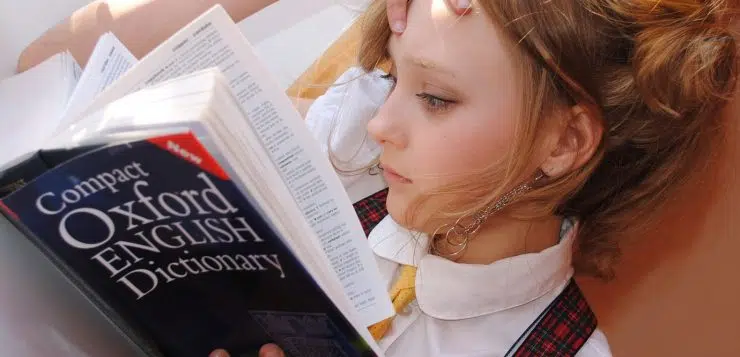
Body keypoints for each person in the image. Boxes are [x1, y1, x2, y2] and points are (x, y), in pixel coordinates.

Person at [213, 0, 737, 356]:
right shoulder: (341, 175)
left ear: (564, 142)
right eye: (393, 78)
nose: (380, 124)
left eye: (436, 98)